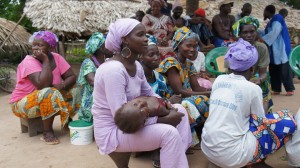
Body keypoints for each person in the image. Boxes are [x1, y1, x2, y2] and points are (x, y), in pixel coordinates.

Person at [92, 18, 191, 168]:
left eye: (145, 34)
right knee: (169, 133)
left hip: (135, 119)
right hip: (114, 131)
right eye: (140, 35)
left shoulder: (136, 65)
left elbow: (150, 93)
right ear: (125, 40)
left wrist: (168, 106)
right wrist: (162, 120)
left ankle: (173, 158)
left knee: (180, 109)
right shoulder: (113, 70)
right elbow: (120, 116)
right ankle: (173, 159)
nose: (146, 39)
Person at [201, 39, 296, 168]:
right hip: (234, 156)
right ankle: (256, 160)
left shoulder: (218, 79)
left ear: (229, 65)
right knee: (287, 120)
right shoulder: (252, 88)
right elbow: (260, 120)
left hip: (208, 150)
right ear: (252, 68)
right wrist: (266, 104)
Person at [10, 31, 81, 145]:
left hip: (46, 98)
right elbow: (43, 85)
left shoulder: (57, 58)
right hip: (22, 103)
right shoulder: (29, 61)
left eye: (40, 45)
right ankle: (47, 132)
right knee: (49, 92)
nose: (36, 48)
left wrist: (61, 86)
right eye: (34, 45)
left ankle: (67, 121)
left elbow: (71, 77)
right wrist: (46, 60)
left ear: (51, 47)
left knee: (77, 89)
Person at [157, 27, 210, 147]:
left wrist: (211, 91)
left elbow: (196, 88)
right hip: (172, 100)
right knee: (198, 100)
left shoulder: (188, 64)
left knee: (210, 99)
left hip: (184, 97)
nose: (192, 49)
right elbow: (179, 91)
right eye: (189, 45)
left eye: (195, 46)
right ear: (178, 45)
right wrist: (206, 94)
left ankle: (202, 133)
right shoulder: (171, 63)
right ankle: (192, 139)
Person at [232, 16, 273, 113]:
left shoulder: (262, 48)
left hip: (255, 80)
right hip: (237, 81)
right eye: (245, 32)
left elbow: (263, 73)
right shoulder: (233, 49)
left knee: (263, 89)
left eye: (252, 31)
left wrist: (259, 79)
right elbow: (229, 73)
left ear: (256, 32)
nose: (249, 35)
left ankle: (262, 119)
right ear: (239, 34)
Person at [77, 32, 112, 123]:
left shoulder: (108, 62)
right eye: (109, 44)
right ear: (102, 48)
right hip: (91, 104)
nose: (112, 47)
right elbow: (93, 81)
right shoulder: (88, 62)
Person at [262, 5, 295, 96]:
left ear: (268, 11)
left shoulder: (277, 18)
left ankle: (289, 89)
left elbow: (274, 32)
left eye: (264, 11)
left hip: (281, 49)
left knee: (284, 69)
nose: (263, 13)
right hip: (274, 50)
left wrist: (262, 40)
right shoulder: (270, 22)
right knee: (274, 69)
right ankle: (276, 89)